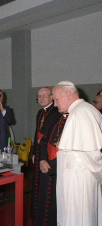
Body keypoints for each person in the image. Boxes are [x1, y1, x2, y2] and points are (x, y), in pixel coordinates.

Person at [53, 81, 102, 226]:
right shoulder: (81, 110)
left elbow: (92, 154)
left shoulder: (81, 113)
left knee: (79, 219)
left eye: (56, 99)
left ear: (67, 95)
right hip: (77, 179)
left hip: (79, 182)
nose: (55, 104)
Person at [30, 87, 59, 225]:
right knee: (37, 184)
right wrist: (34, 153)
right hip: (40, 153)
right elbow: (36, 134)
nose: (41, 98)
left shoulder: (56, 112)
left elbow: (48, 137)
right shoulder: (40, 112)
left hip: (48, 155)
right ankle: (37, 214)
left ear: (51, 97)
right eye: (39, 96)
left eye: (44, 96)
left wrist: (42, 156)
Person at [37, 111, 66, 226]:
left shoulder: (75, 119)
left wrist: (52, 165)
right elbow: (44, 139)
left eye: (57, 100)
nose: (56, 104)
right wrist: (42, 159)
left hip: (62, 169)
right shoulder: (55, 117)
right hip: (47, 165)